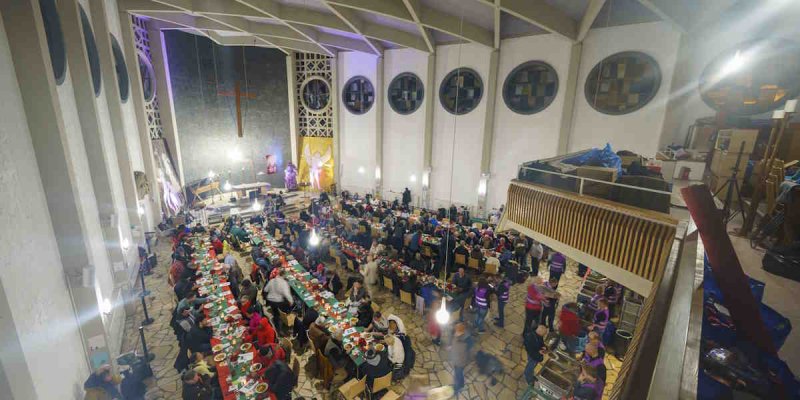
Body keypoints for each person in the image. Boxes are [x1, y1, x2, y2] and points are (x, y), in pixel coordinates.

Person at [450, 322, 470, 394]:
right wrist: (451, 347)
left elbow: (462, 354)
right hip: (457, 361)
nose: (455, 332)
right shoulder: (457, 337)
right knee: (459, 374)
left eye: (457, 331)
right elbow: (455, 346)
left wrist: (457, 362)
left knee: (457, 375)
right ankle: (461, 384)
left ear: (461, 332)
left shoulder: (463, 342)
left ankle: (457, 387)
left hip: (459, 363)